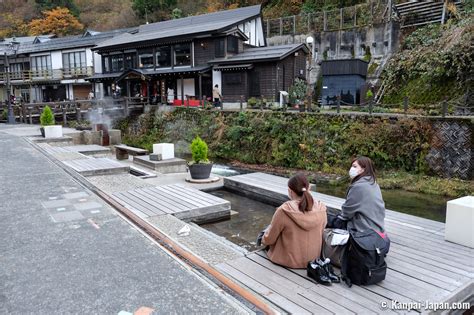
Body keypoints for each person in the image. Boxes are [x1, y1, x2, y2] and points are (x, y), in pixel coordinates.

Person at [261, 173, 327, 269]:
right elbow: (322, 229)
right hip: (313, 260)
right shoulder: (321, 208)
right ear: (309, 189)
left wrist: (263, 239)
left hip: (287, 261)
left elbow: (270, 239)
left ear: (290, 191)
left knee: (266, 232)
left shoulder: (284, 210)